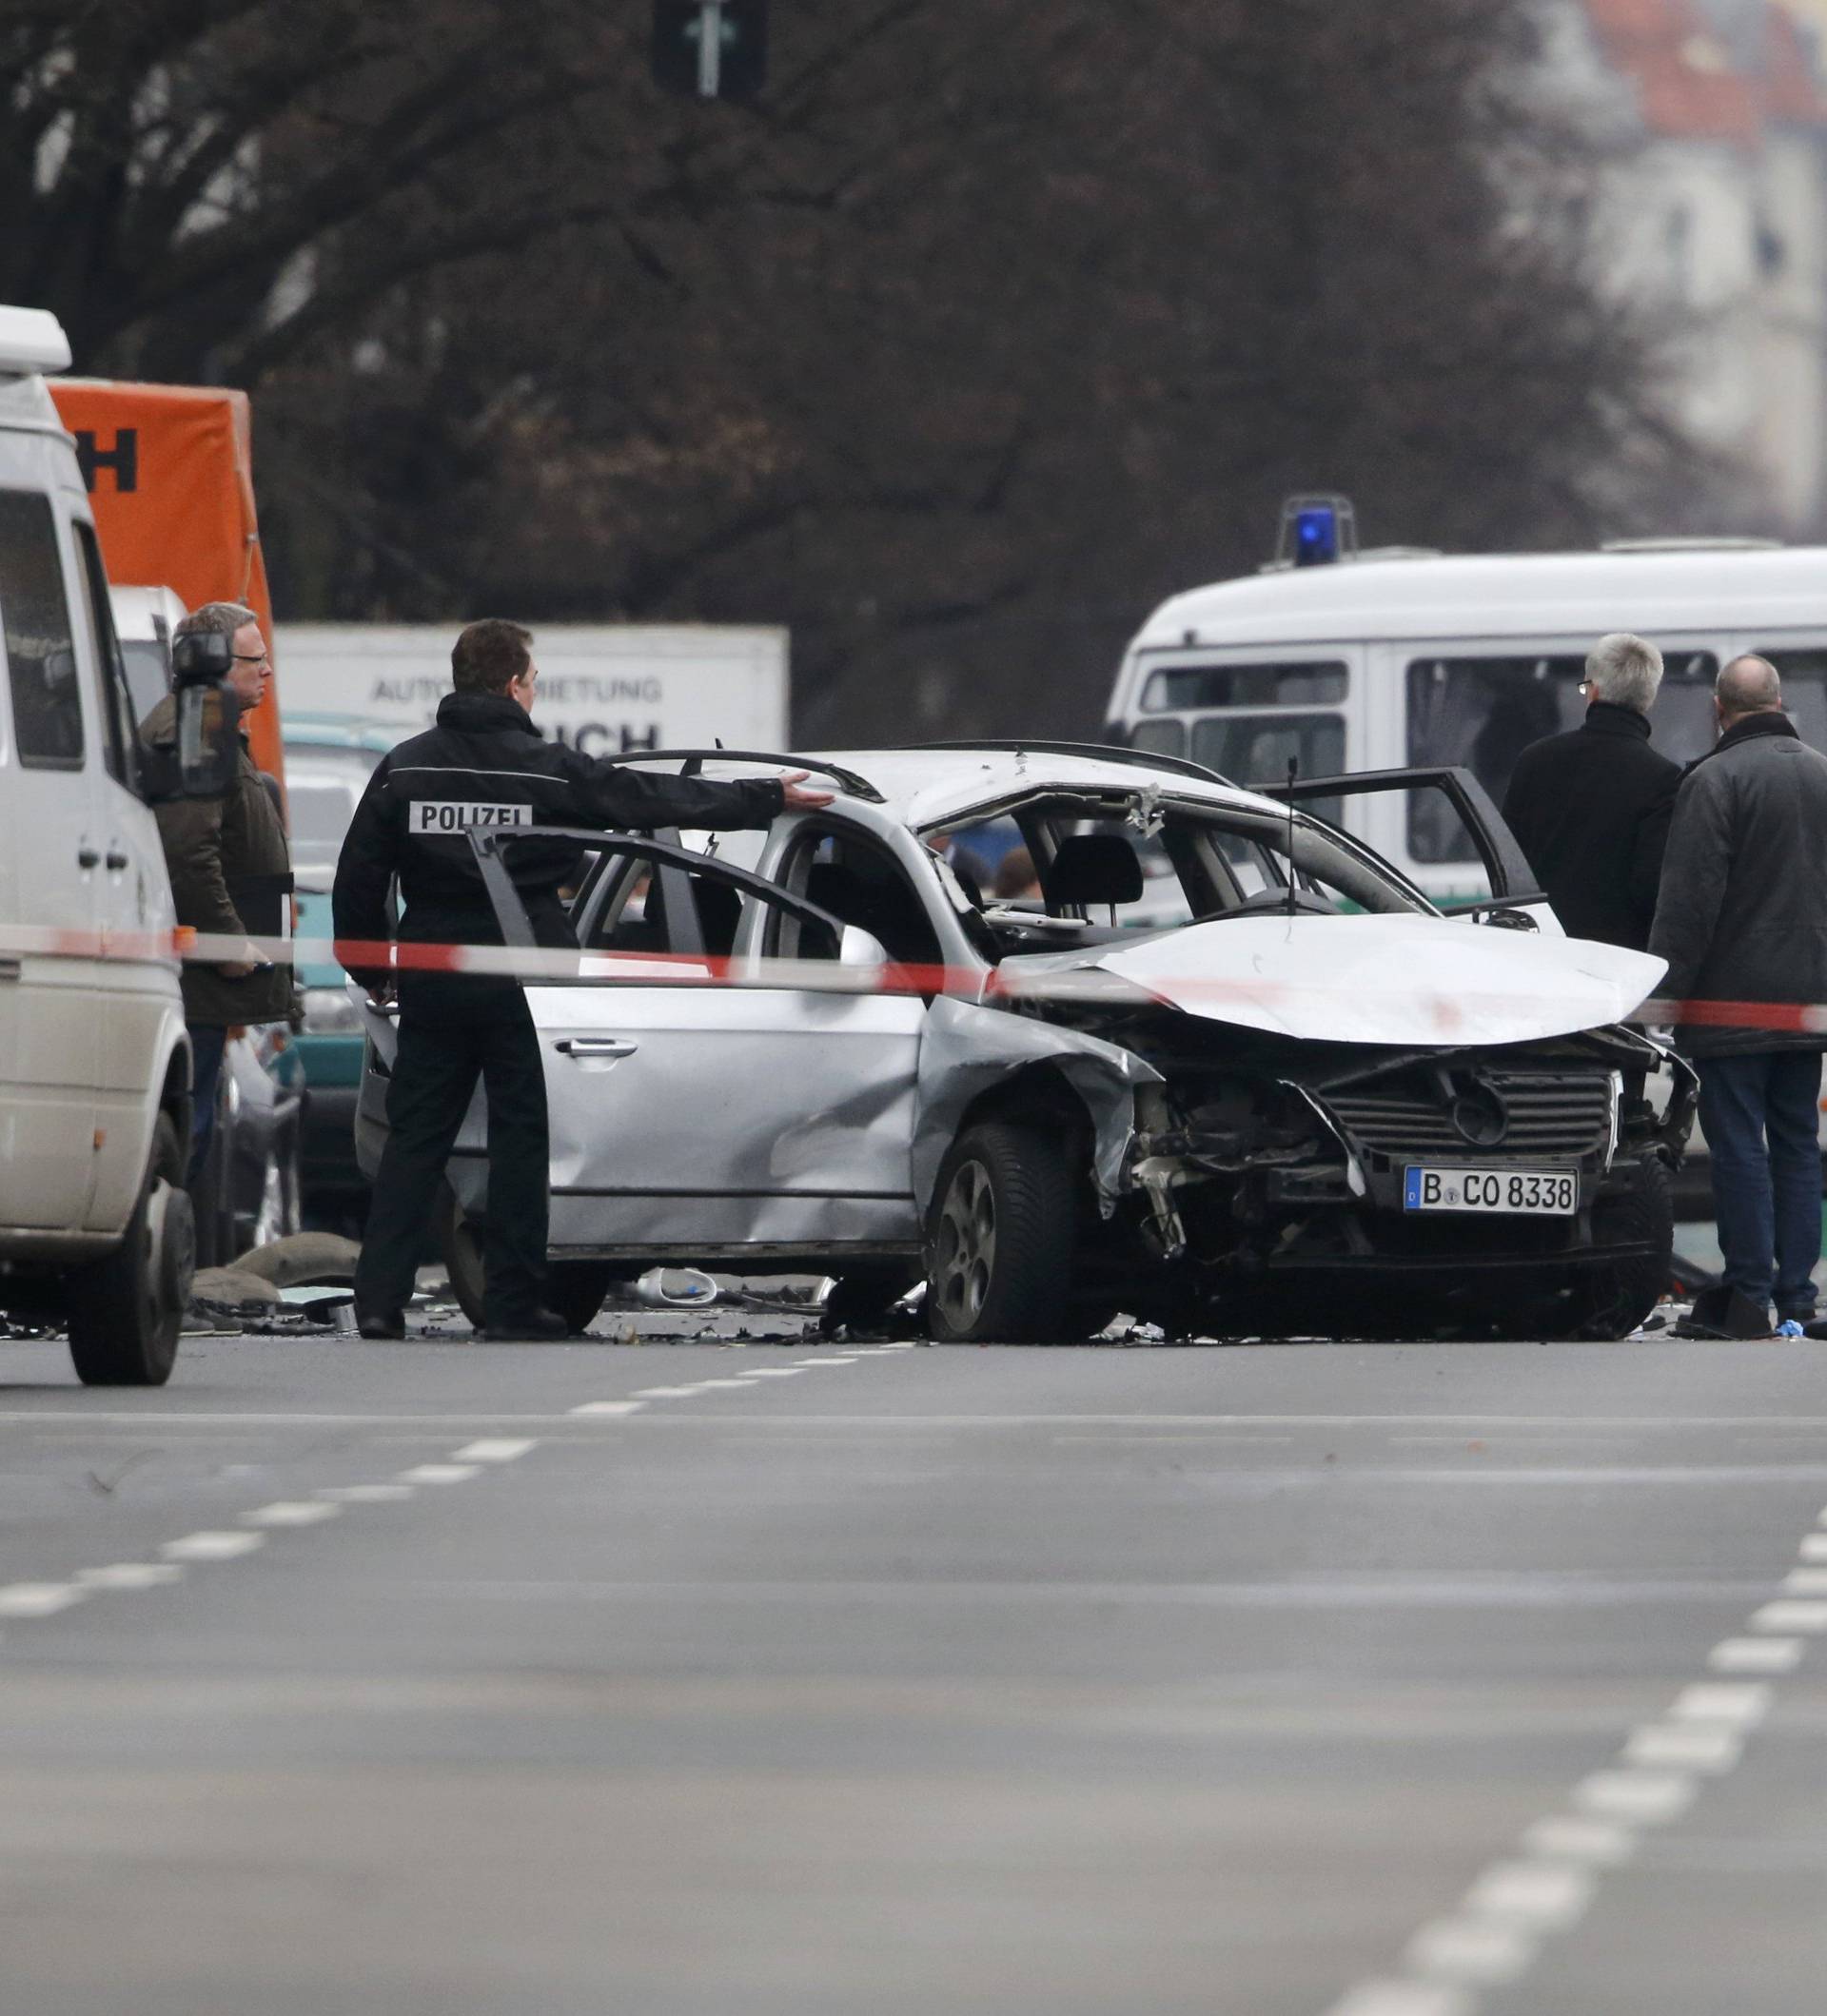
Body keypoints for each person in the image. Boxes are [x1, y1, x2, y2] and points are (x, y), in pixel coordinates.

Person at [333, 619, 833, 1341]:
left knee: (416, 1138)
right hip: (529, 970)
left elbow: (359, 878)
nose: (533, 693)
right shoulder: (547, 768)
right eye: (533, 681)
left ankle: (378, 1302)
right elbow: (646, 801)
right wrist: (762, 799)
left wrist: (373, 967)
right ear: (513, 685)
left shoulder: (404, 769)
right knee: (521, 1135)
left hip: (435, 965)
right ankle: (511, 1302)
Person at [1649, 655, 1827, 1333]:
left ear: (1718, 710)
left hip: (1730, 1007)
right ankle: (1800, 1298)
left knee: (1740, 1146)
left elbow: (1689, 904)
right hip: (1808, 1001)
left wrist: (1665, 995)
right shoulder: (1821, 773)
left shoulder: (1713, 781)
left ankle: (1750, 1292)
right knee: (1797, 1143)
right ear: (1781, 701)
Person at [140, 601, 292, 1187]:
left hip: (204, 981)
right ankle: (164, 1268)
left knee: (196, 1123)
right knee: (188, 1129)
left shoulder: (208, 726)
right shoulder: (197, 732)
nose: (268, 672)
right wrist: (228, 946)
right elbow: (187, 853)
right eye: (256, 660)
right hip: (198, 979)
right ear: (218, 666)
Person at [1501, 634, 1680, 951]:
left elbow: (1507, 861)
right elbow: (1651, 887)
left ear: (1593, 691)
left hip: (1541, 948)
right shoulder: (1663, 779)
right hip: (1618, 958)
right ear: (1648, 698)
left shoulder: (1535, 760)